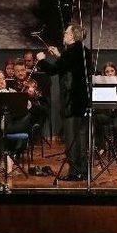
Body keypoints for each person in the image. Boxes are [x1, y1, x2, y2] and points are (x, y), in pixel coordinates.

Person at [37, 23, 92, 180]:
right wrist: (59, 55)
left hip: (71, 100)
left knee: (71, 138)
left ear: (72, 36)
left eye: (66, 32)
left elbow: (54, 70)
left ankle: (74, 173)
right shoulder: (85, 52)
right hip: (83, 100)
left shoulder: (70, 53)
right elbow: (71, 67)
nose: (64, 34)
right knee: (81, 136)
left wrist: (41, 60)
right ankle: (83, 170)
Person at [94, 62, 117, 150]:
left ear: (115, 72)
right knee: (94, 118)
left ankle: (115, 148)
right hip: (107, 114)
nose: (110, 73)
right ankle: (101, 147)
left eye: (112, 71)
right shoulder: (101, 85)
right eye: (107, 72)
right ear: (104, 74)